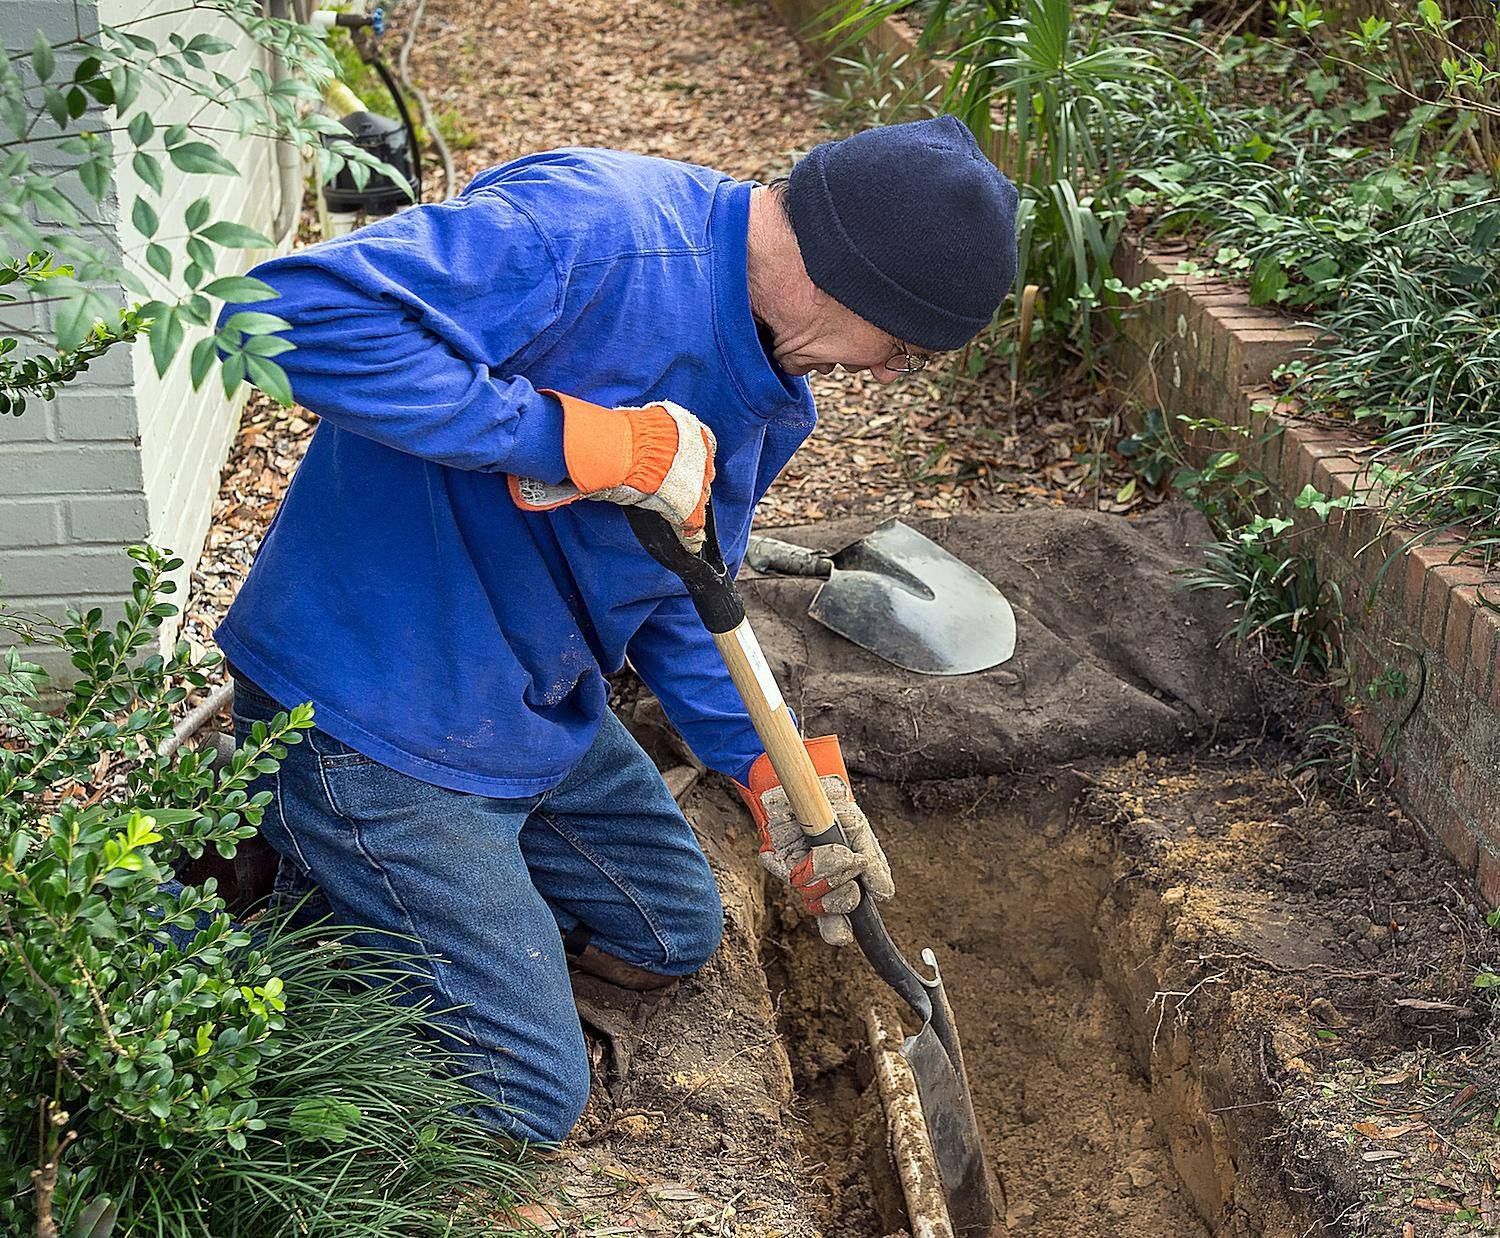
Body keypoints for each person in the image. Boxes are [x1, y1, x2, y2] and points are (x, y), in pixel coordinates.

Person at [216, 115, 1018, 1144]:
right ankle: (294, 882)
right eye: (903, 345)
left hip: (524, 701)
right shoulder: (593, 236)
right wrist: (569, 436)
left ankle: (424, 901)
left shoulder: (774, 395)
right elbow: (275, 316)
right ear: (852, 278)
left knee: (669, 932)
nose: (894, 374)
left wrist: (781, 777)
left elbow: (684, 590)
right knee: (523, 1098)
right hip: (372, 702)